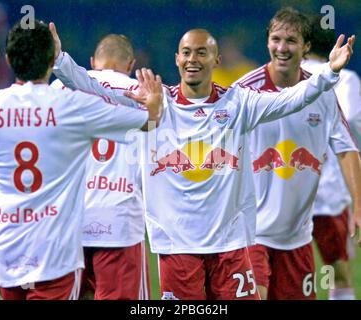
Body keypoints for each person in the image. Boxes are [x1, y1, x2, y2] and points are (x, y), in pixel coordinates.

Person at [49, 21, 356, 300]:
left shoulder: (239, 102)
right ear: (176, 59)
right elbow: (96, 85)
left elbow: (291, 98)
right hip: (177, 249)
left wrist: (328, 73)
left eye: (201, 53)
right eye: (186, 53)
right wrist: (61, 61)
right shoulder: (157, 101)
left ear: (216, 60)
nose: (192, 59)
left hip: (231, 248)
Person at [0, 20, 163, 300]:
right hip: (59, 246)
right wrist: (155, 107)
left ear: (8, 59)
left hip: (8, 246)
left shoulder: (10, 102)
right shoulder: (71, 104)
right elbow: (147, 122)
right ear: (51, 58)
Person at [234, 7, 361, 300]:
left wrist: (358, 203)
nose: (282, 47)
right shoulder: (244, 92)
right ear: (267, 42)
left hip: (297, 237)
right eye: (276, 39)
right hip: (251, 234)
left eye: (291, 40)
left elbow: (345, 147)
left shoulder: (323, 94)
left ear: (305, 46)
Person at [52, 34, 150, 300]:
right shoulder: (143, 95)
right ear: (130, 65)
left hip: (68, 217)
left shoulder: (60, 89)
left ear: (93, 61)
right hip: (120, 219)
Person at [301, 15, 361, 300]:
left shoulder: (284, 75)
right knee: (336, 269)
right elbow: (350, 120)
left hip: (287, 188)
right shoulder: (345, 78)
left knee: (283, 270)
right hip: (330, 189)